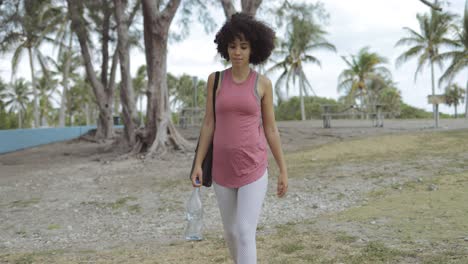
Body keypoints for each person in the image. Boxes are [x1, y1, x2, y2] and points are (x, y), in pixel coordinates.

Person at [190, 12, 288, 264]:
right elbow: (209, 124)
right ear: (225, 47)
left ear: (253, 49)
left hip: (253, 167)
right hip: (222, 170)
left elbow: (271, 129)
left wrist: (283, 170)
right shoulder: (215, 80)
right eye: (232, 46)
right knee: (231, 233)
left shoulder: (263, 84)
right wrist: (198, 163)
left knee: (245, 232)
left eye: (243, 46)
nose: (237, 52)